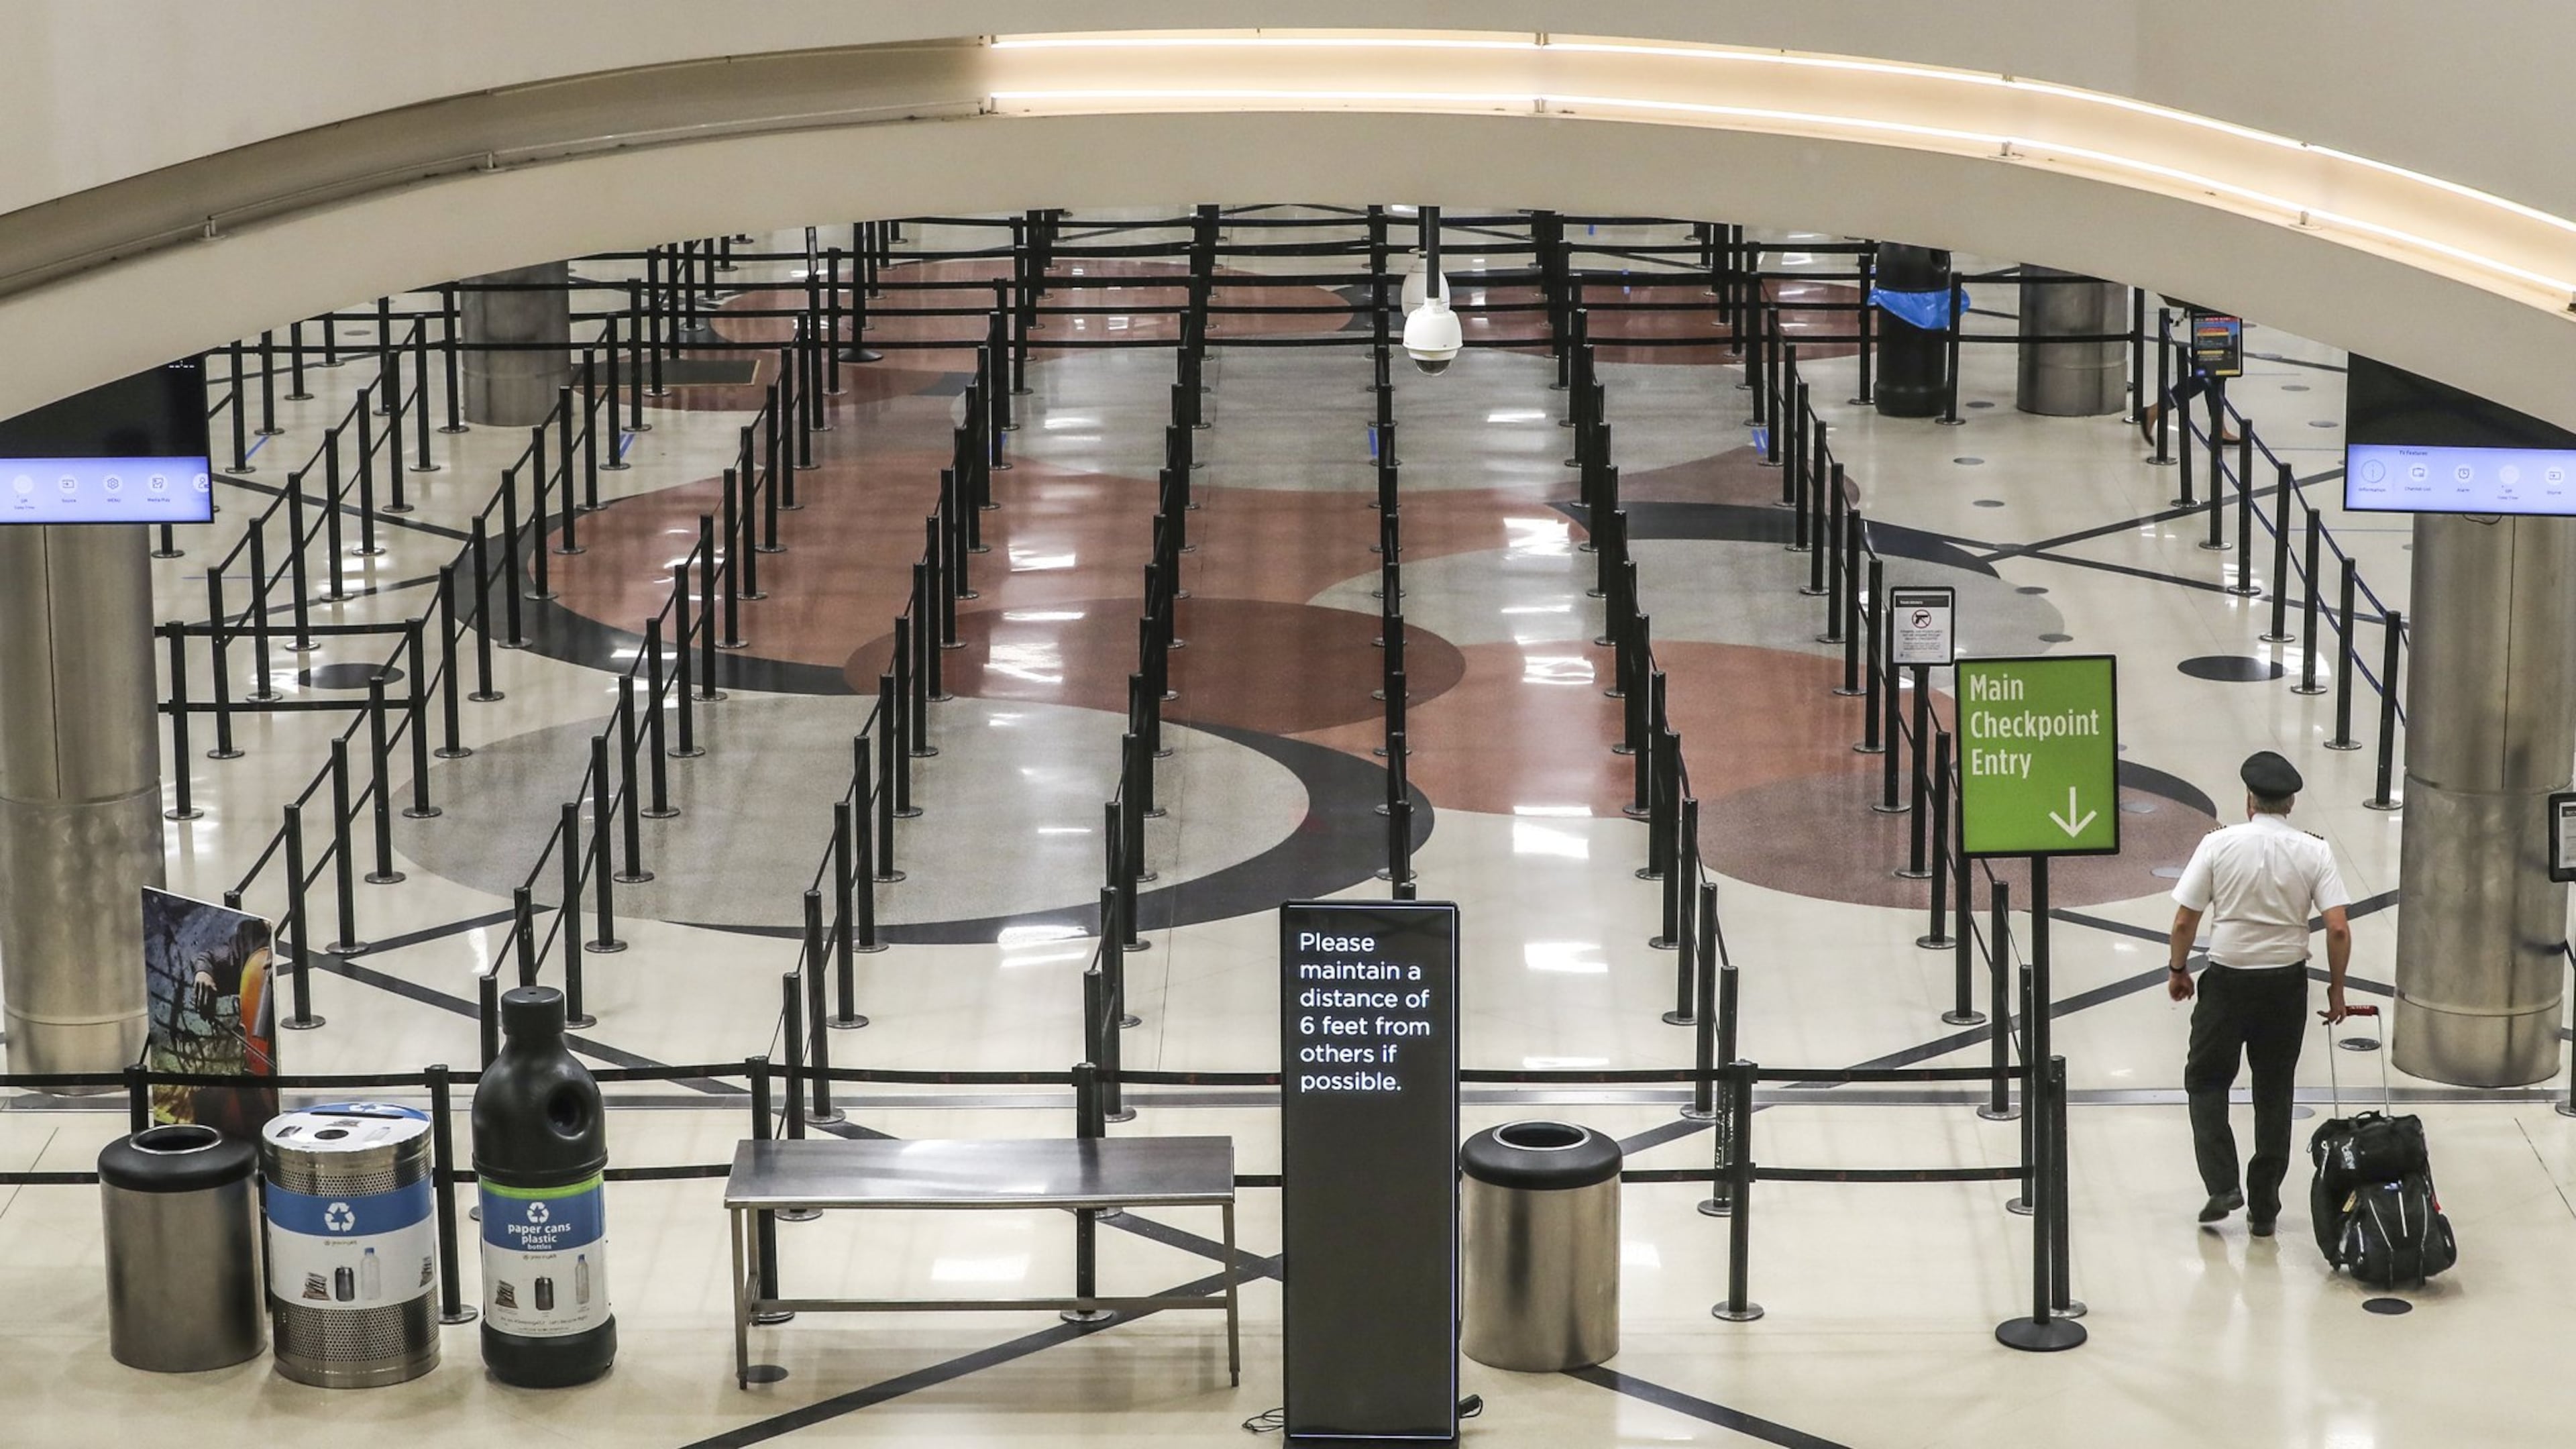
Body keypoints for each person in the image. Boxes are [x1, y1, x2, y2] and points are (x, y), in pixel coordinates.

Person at [2166, 750, 2352, 1236]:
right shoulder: (2315, 851)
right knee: (2274, 1091)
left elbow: (2186, 919)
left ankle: (2222, 1184)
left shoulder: (2218, 845)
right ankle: (2265, 1206)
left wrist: (2179, 969)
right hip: (2285, 986)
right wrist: (2336, 991)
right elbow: (2337, 930)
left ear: (2249, 799)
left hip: (2227, 982)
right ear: (2290, 803)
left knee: (2206, 1081)